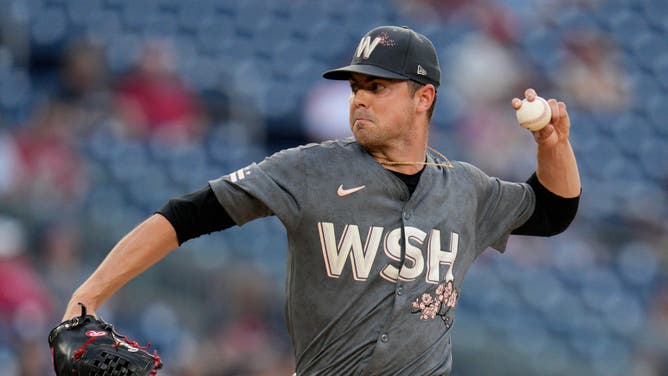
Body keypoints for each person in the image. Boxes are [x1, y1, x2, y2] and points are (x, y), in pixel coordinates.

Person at [60, 26, 581, 375]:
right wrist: (87, 295)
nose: (358, 97)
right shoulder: (309, 168)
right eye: (356, 85)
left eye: (378, 86)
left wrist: (552, 145)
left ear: (424, 98)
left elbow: (553, 211)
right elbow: (186, 215)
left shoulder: (466, 189)